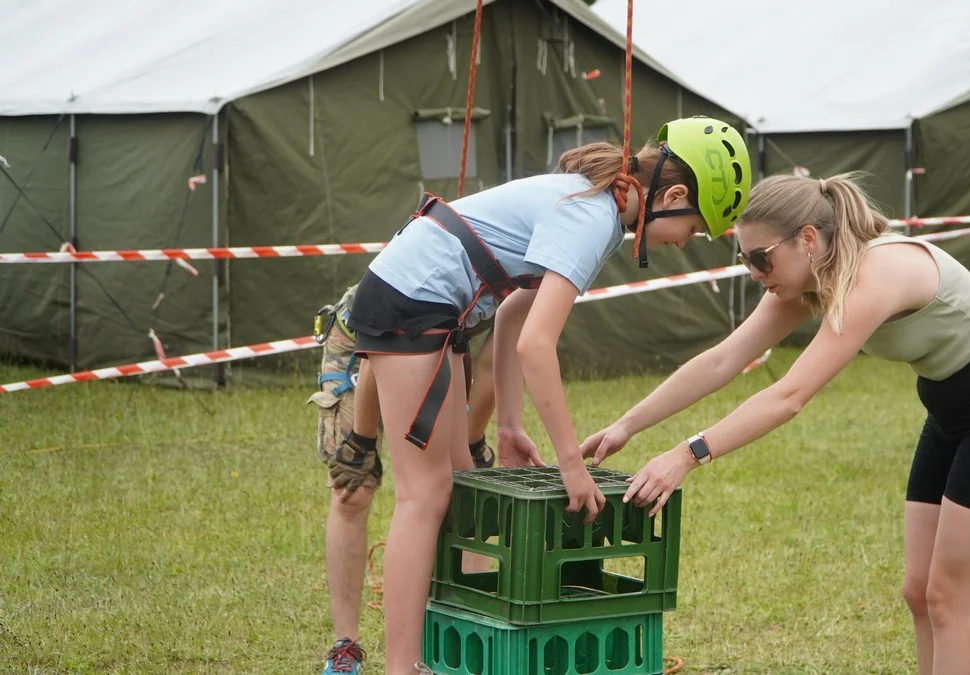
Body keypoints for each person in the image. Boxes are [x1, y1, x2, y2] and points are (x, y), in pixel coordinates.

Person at [581, 172, 970, 675]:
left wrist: (687, 454)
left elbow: (789, 396)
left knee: (948, 599)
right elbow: (724, 360)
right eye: (744, 259)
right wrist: (627, 424)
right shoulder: (808, 277)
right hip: (949, 409)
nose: (754, 272)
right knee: (919, 592)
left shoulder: (876, 272)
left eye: (760, 258)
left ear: (807, 239)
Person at [342, 116, 752, 674]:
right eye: (695, 227)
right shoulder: (593, 216)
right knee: (426, 495)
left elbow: (514, 312)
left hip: (429, 306)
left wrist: (508, 425)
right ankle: (403, 668)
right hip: (413, 304)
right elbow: (538, 346)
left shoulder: (601, 208)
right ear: (674, 196)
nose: (687, 242)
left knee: (459, 488)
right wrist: (570, 466)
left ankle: (456, 652)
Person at [307, 283, 497, 675]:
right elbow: (381, 344)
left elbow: (496, 364)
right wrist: (362, 439)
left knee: (465, 490)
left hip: (440, 344)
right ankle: (345, 648)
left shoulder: (532, 279)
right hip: (365, 333)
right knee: (353, 488)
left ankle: (470, 641)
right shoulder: (435, 271)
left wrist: (471, 440)